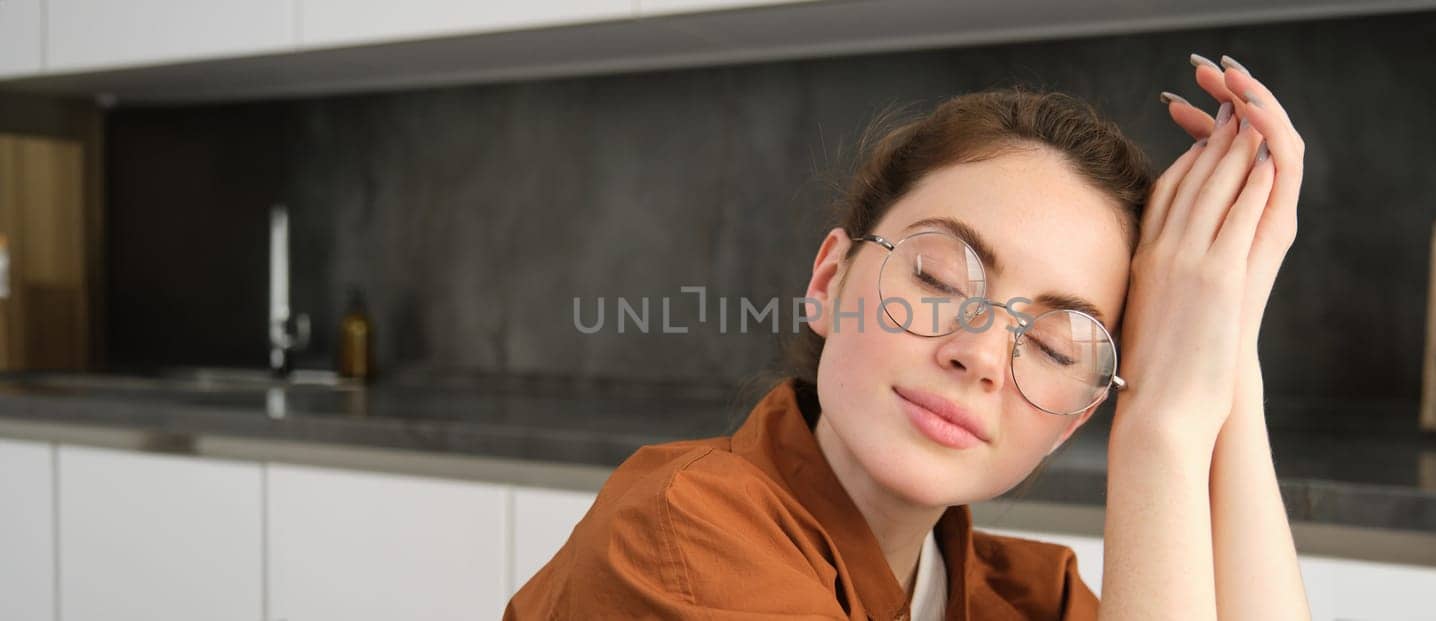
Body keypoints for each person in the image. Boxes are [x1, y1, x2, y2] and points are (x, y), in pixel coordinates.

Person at [505, 52, 1310, 620]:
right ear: (828, 284)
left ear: (1073, 417)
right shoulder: (679, 543)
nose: (981, 353)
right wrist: (1160, 432)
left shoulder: (1023, 598)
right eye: (937, 278)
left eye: (1059, 347)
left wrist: (1228, 357)